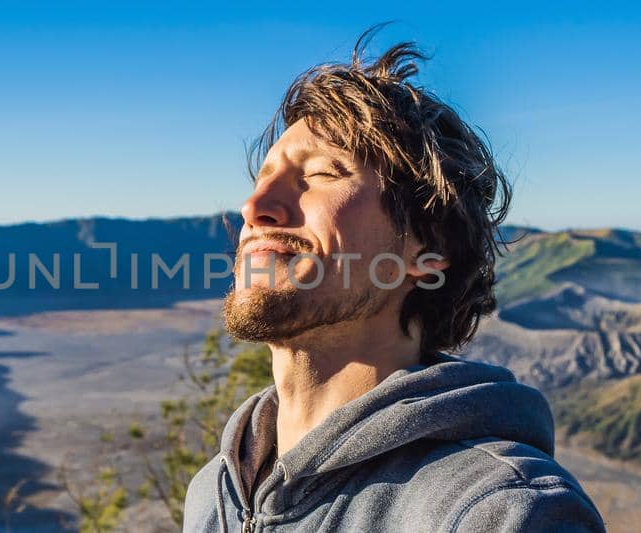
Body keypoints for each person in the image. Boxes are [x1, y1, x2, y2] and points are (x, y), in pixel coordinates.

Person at [181, 27, 606, 532]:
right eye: (261, 180)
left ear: (428, 251)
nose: (255, 208)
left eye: (322, 174)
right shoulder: (213, 494)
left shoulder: (501, 512)